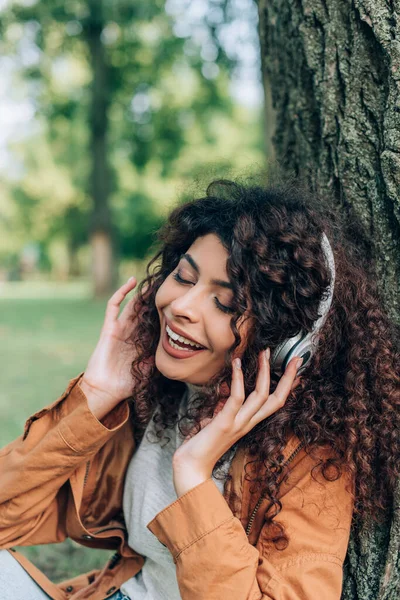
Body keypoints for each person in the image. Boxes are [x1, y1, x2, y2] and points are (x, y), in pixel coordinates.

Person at [0, 177, 399, 600]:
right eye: (184, 277)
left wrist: (193, 477)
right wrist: (97, 396)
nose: (182, 307)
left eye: (226, 304)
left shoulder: (309, 458)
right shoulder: (153, 396)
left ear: (283, 342)